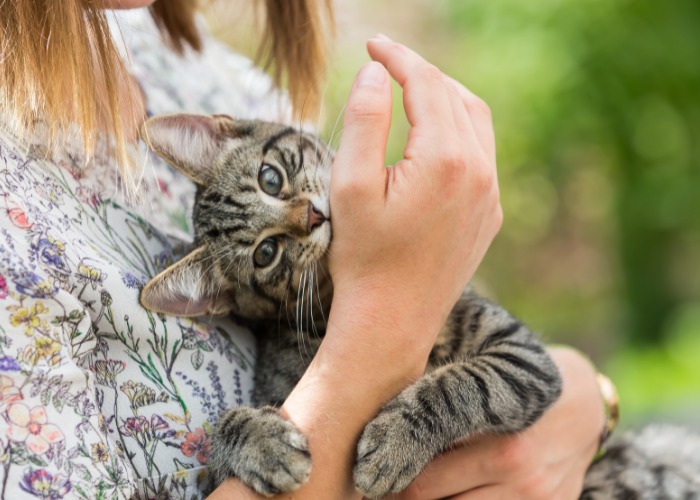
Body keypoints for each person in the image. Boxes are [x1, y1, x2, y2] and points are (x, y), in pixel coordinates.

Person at [0, 1, 604, 499]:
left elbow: (539, 377)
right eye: (268, 254)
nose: (302, 215)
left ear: (232, 130)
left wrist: (593, 400)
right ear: (228, 298)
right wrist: (387, 310)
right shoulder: (287, 349)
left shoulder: (192, 62)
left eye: (269, 181)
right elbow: (262, 453)